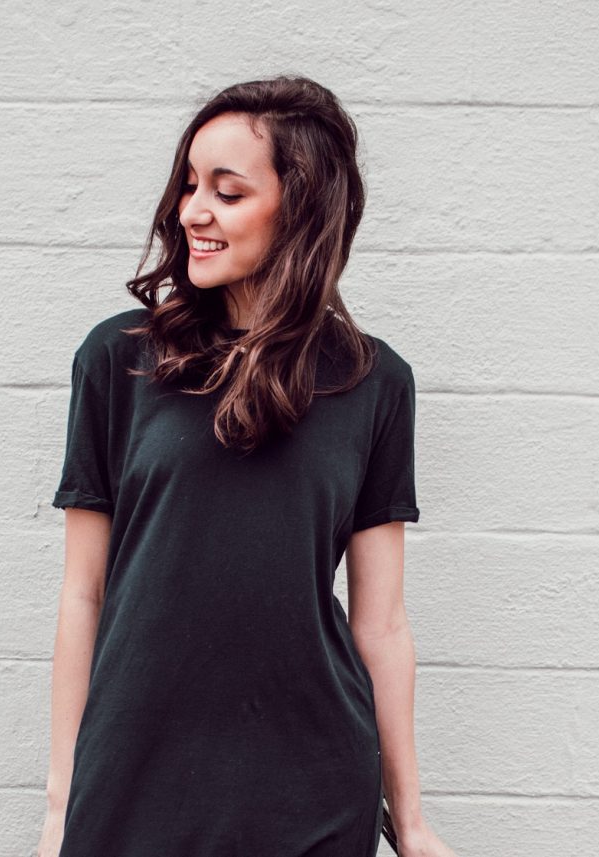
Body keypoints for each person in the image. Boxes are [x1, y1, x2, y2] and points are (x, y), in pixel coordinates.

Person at [37, 76, 457, 857]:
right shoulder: (119, 360)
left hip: (313, 781)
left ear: (299, 209)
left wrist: (414, 816)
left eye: (226, 192)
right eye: (190, 185)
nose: (193, 210)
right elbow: (82, 593)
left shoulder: (375, 383)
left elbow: (382, 622)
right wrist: (63, 800)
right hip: (133, 777)